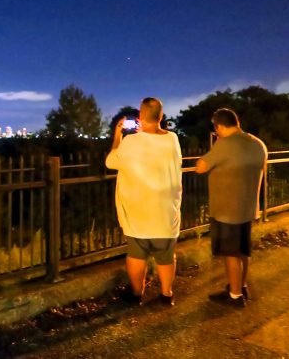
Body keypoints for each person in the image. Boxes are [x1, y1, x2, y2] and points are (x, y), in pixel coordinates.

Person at [105, 97, 183, 306]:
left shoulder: (131, 142)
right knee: (166, 256)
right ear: (160, 116)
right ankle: (166, 294)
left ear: (140, 116)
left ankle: (137, 294)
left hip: (137, 211)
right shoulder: (173, 139)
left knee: (136, 255)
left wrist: (118, 136)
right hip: (166, 210)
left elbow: (111, 162)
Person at [196, 108, 267, 308]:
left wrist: (216, 145)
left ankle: (235, 296)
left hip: (227, 209)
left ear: (218, 126)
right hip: (248, 207)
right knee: (243, 251)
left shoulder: (225, 144)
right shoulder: (257, 143)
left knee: (230, 254)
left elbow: (201, 167)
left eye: (216, 128)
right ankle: (241, 286)